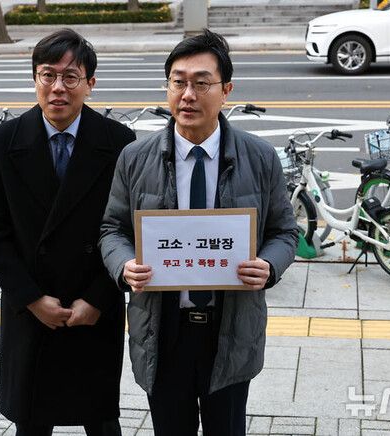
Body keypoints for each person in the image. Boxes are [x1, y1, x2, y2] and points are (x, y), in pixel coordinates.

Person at [99, 29, 298, 436]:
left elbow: (284, 232)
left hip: (231, 327)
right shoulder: (135, 158)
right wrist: (124, 265)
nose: (188, 95)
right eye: (179, 82)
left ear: (226, 90)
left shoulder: (260, 157)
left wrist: (269, 266)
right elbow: (112, 229)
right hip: (161, 328)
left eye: (201, 83)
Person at [0, 29, 135, 436]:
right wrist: (31, 299)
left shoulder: (119, 142)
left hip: (93, 308)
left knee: (101, 420)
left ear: (90, 83)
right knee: (32, 419)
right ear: (35, 79)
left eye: (71, 76)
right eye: (48, 75)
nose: (58, 87)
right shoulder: (3, 142)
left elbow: (130, 228)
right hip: (32, 308)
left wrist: (98, 298)